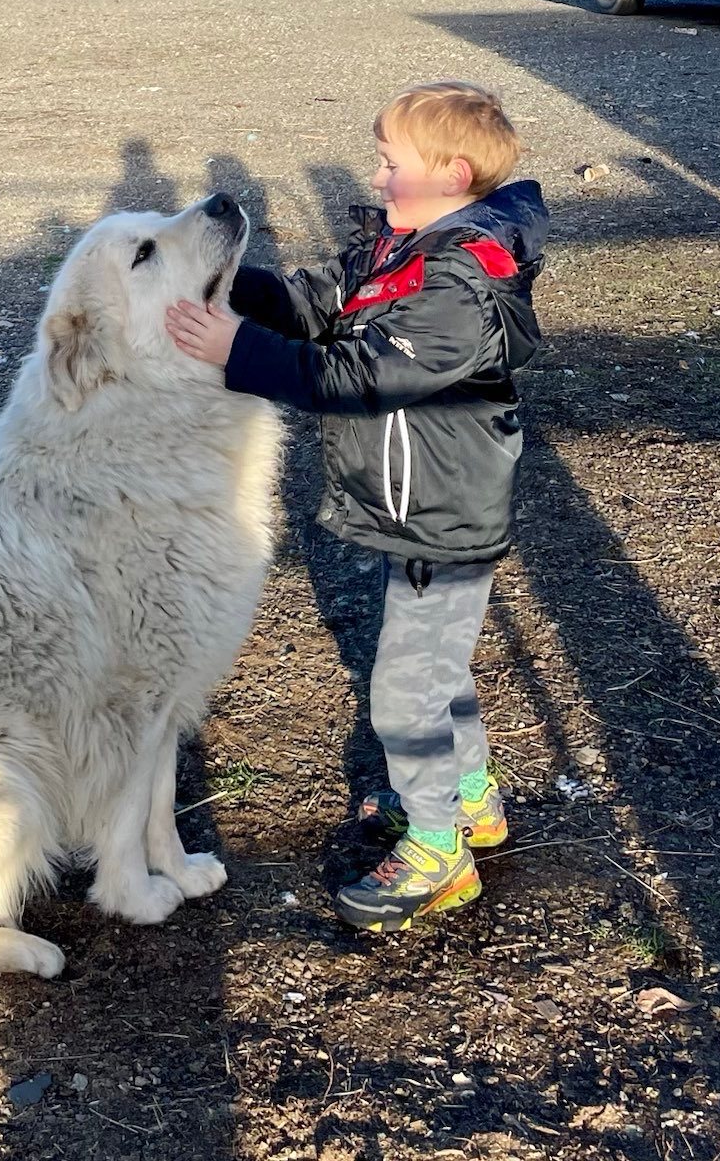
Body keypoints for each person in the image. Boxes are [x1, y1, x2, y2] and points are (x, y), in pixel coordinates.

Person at [166, 81, 548, 932]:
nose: (376, 177)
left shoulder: (459, 282)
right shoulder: (403, 246)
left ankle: (439, 852)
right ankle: (473, 800)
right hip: (420, 509)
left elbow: (360, 376)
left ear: (451, 173)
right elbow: (316, 302)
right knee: (436, 671)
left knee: (405, 694)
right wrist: (237, 290)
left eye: (390, 162)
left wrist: (240, 353)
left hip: (443, 517)